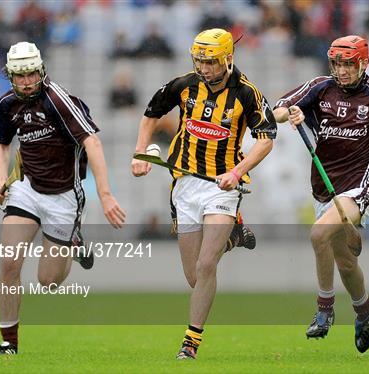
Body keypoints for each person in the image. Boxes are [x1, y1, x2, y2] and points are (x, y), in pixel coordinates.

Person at [273, 35, 369, 353]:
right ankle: (364, 310)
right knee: (345, 262)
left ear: (363, 63)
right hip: (324, 185)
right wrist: (291, 114)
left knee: (318, 235)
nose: (342, 71)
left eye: (348, 64)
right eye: (337, 64)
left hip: (363, 182)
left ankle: (324, 308)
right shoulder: (319, 87)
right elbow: (276, 109)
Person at [132, 28, 276, 359]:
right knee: (194, 275)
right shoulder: (184, 85)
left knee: (208, 263)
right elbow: (151, 113)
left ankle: (190, 342)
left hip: (222, 185)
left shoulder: (246, 93)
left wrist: (237, 172)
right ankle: (233, 237)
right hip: (185, 184)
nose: (204, 68)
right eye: (199, 61)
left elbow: (266, 137)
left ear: (228, 58)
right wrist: (140, 153)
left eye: (210, 62)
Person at [0, 41, 126, 355]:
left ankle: (73, 243)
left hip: (64, 195)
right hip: (26, 187)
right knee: (9, 262)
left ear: (41, 70)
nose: (26, 81)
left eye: (31, 74)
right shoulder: (7, 103)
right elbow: (1, 143)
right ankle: (8, 342)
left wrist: (105, 195)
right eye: (19, 75)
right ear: (10, 75)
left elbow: (92, 143)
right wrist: (1, 177)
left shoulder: (58, 100)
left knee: (48, 281)